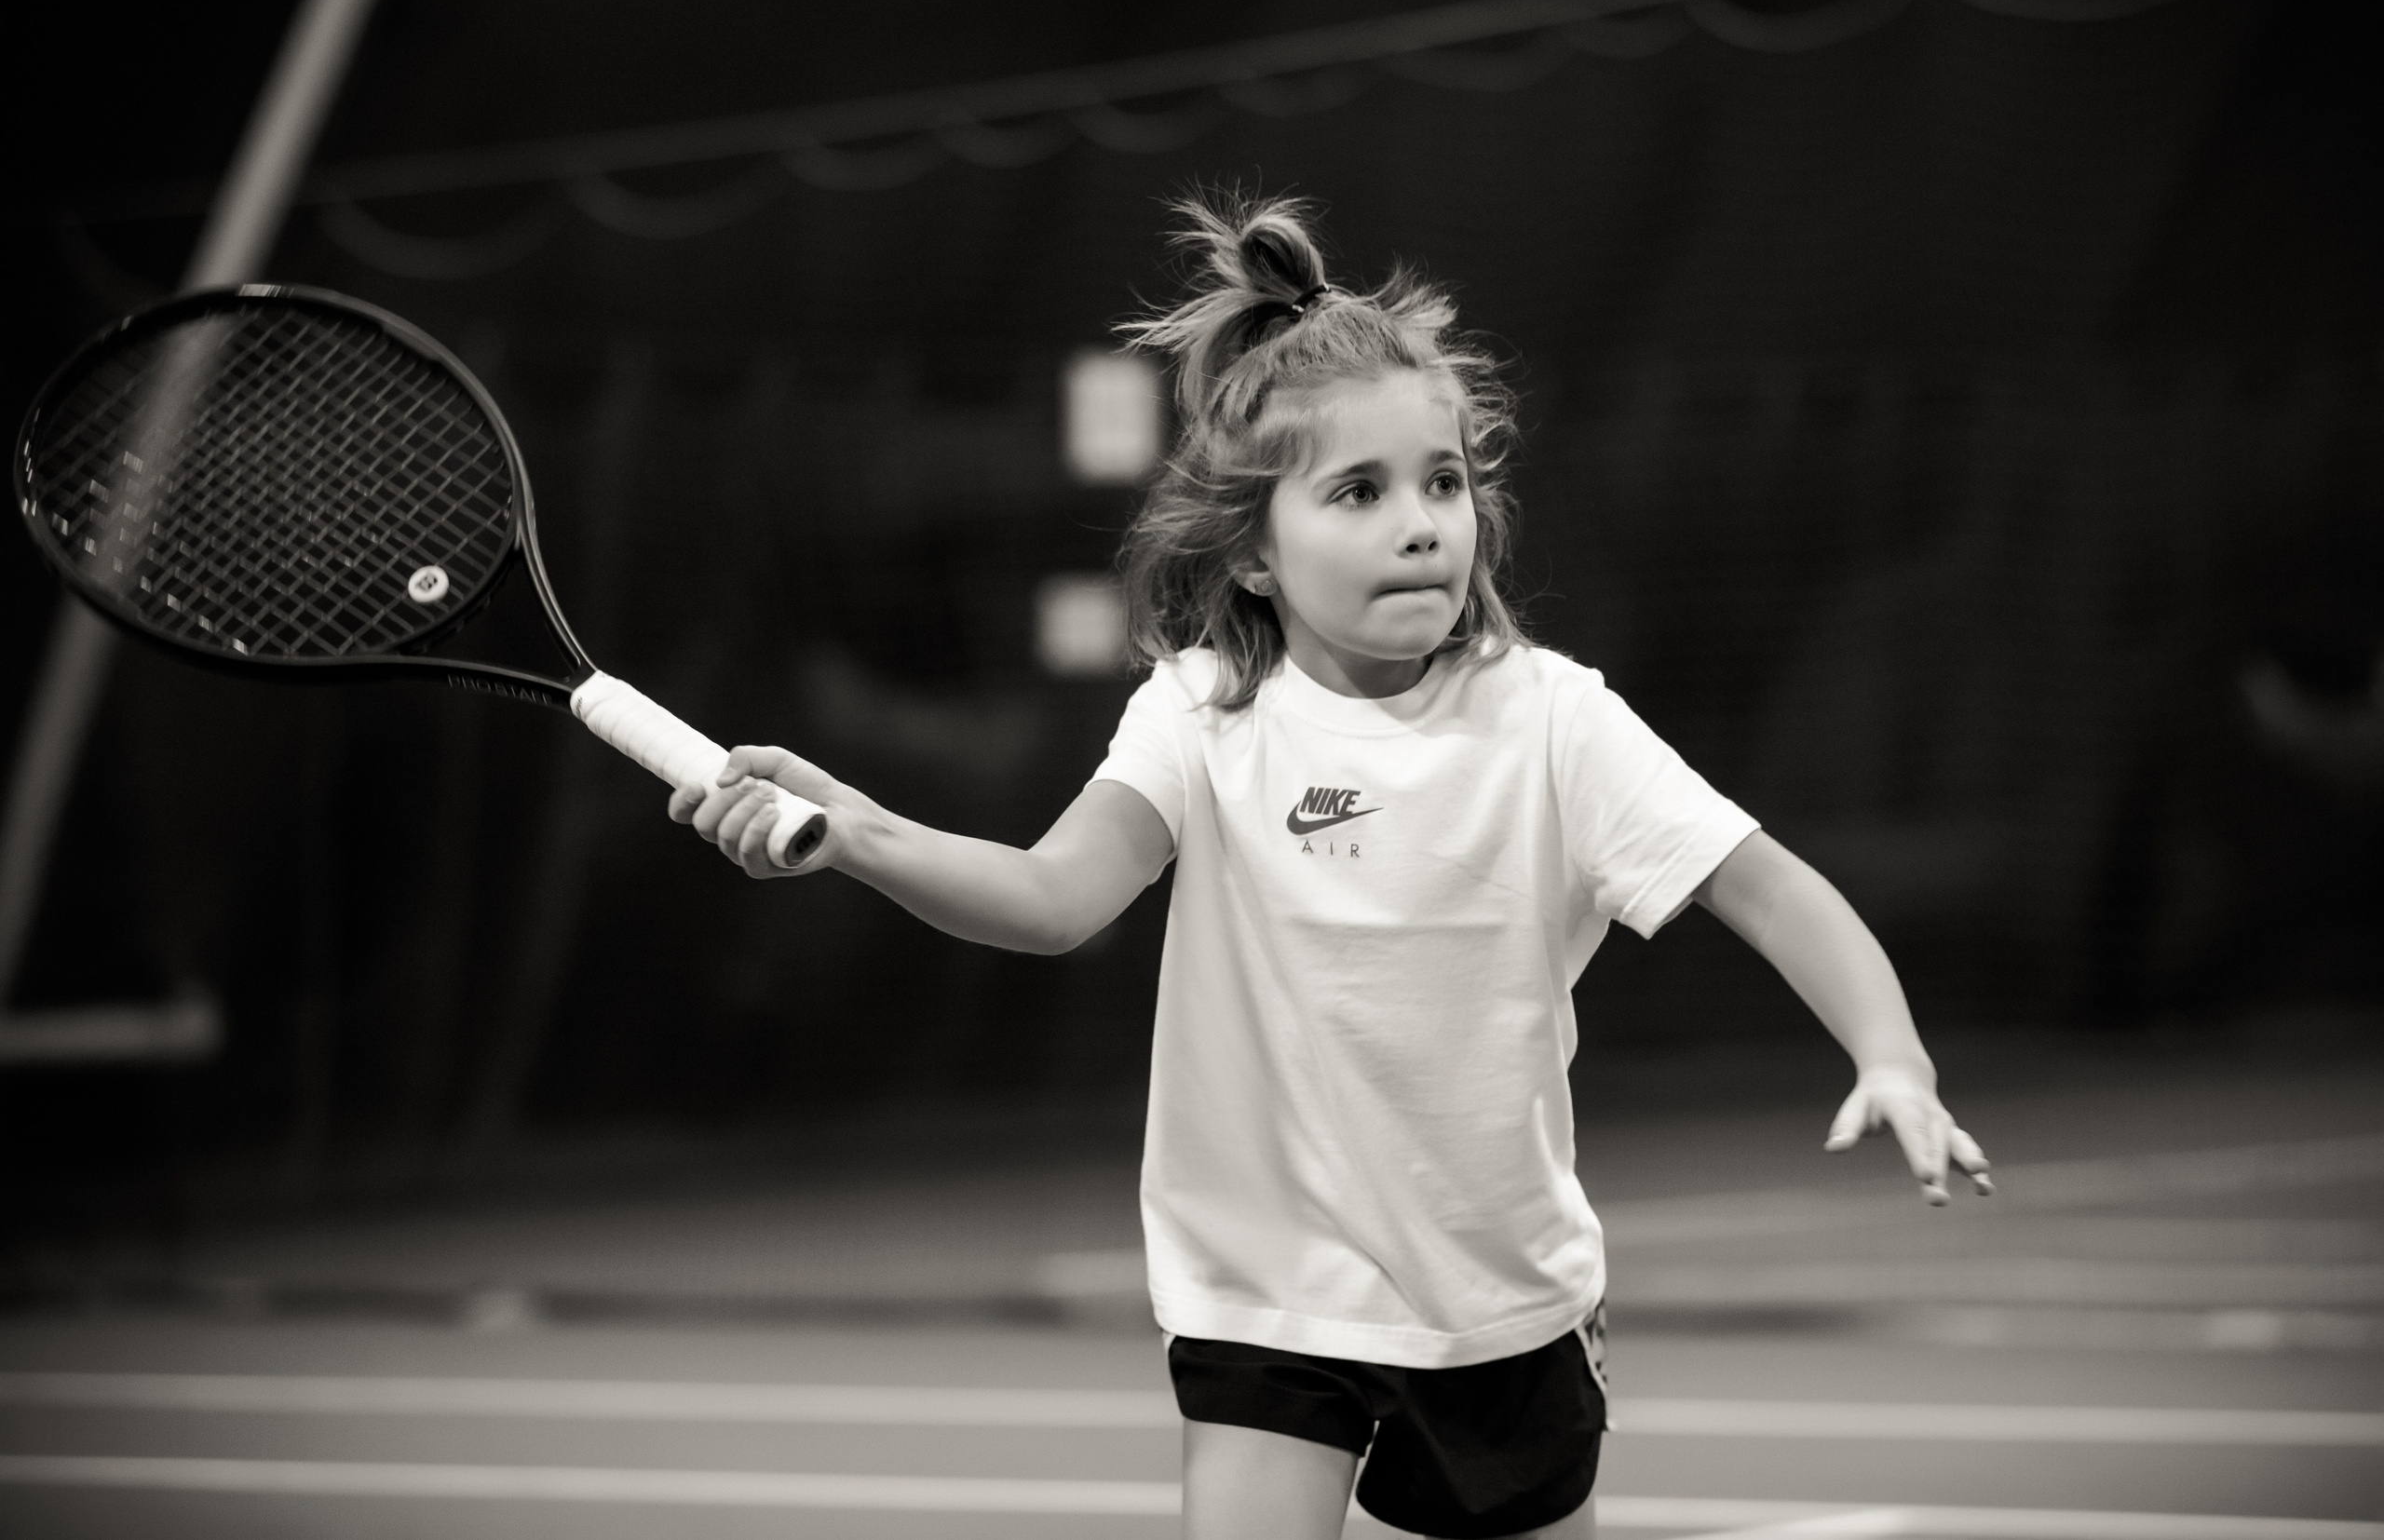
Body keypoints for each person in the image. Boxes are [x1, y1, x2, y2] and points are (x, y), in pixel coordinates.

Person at [670, 193, 1992, 1540]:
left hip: (1498, 1294)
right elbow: (1054, 900)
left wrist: (1892, 1053)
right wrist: (858, 830)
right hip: (1268, 1290)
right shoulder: (1197, 715)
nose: (1420, 521)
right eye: (1358, 491)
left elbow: (1767, 882)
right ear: (1253, 549)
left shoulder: (1554, 718)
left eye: (1444, 481)